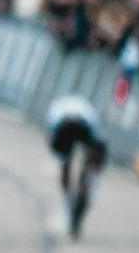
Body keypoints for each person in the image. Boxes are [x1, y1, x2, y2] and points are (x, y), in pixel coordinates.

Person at [46, 93, 109, 240]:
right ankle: (82, 193)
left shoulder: (56, 108)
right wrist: (95, 166)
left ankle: (69, 201)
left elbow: (51, 139)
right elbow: (98, 140)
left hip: (65, 125)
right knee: (89, 170)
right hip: (83, 125)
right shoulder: (86, 111)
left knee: (65, 164)